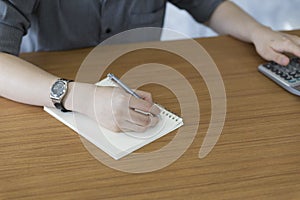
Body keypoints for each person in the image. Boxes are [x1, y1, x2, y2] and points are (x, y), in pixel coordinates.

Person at [0, 0, 300, 132]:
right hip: (41, 102)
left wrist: (258, 32)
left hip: (143, 92)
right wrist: (80, 97)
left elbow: (208, 6)